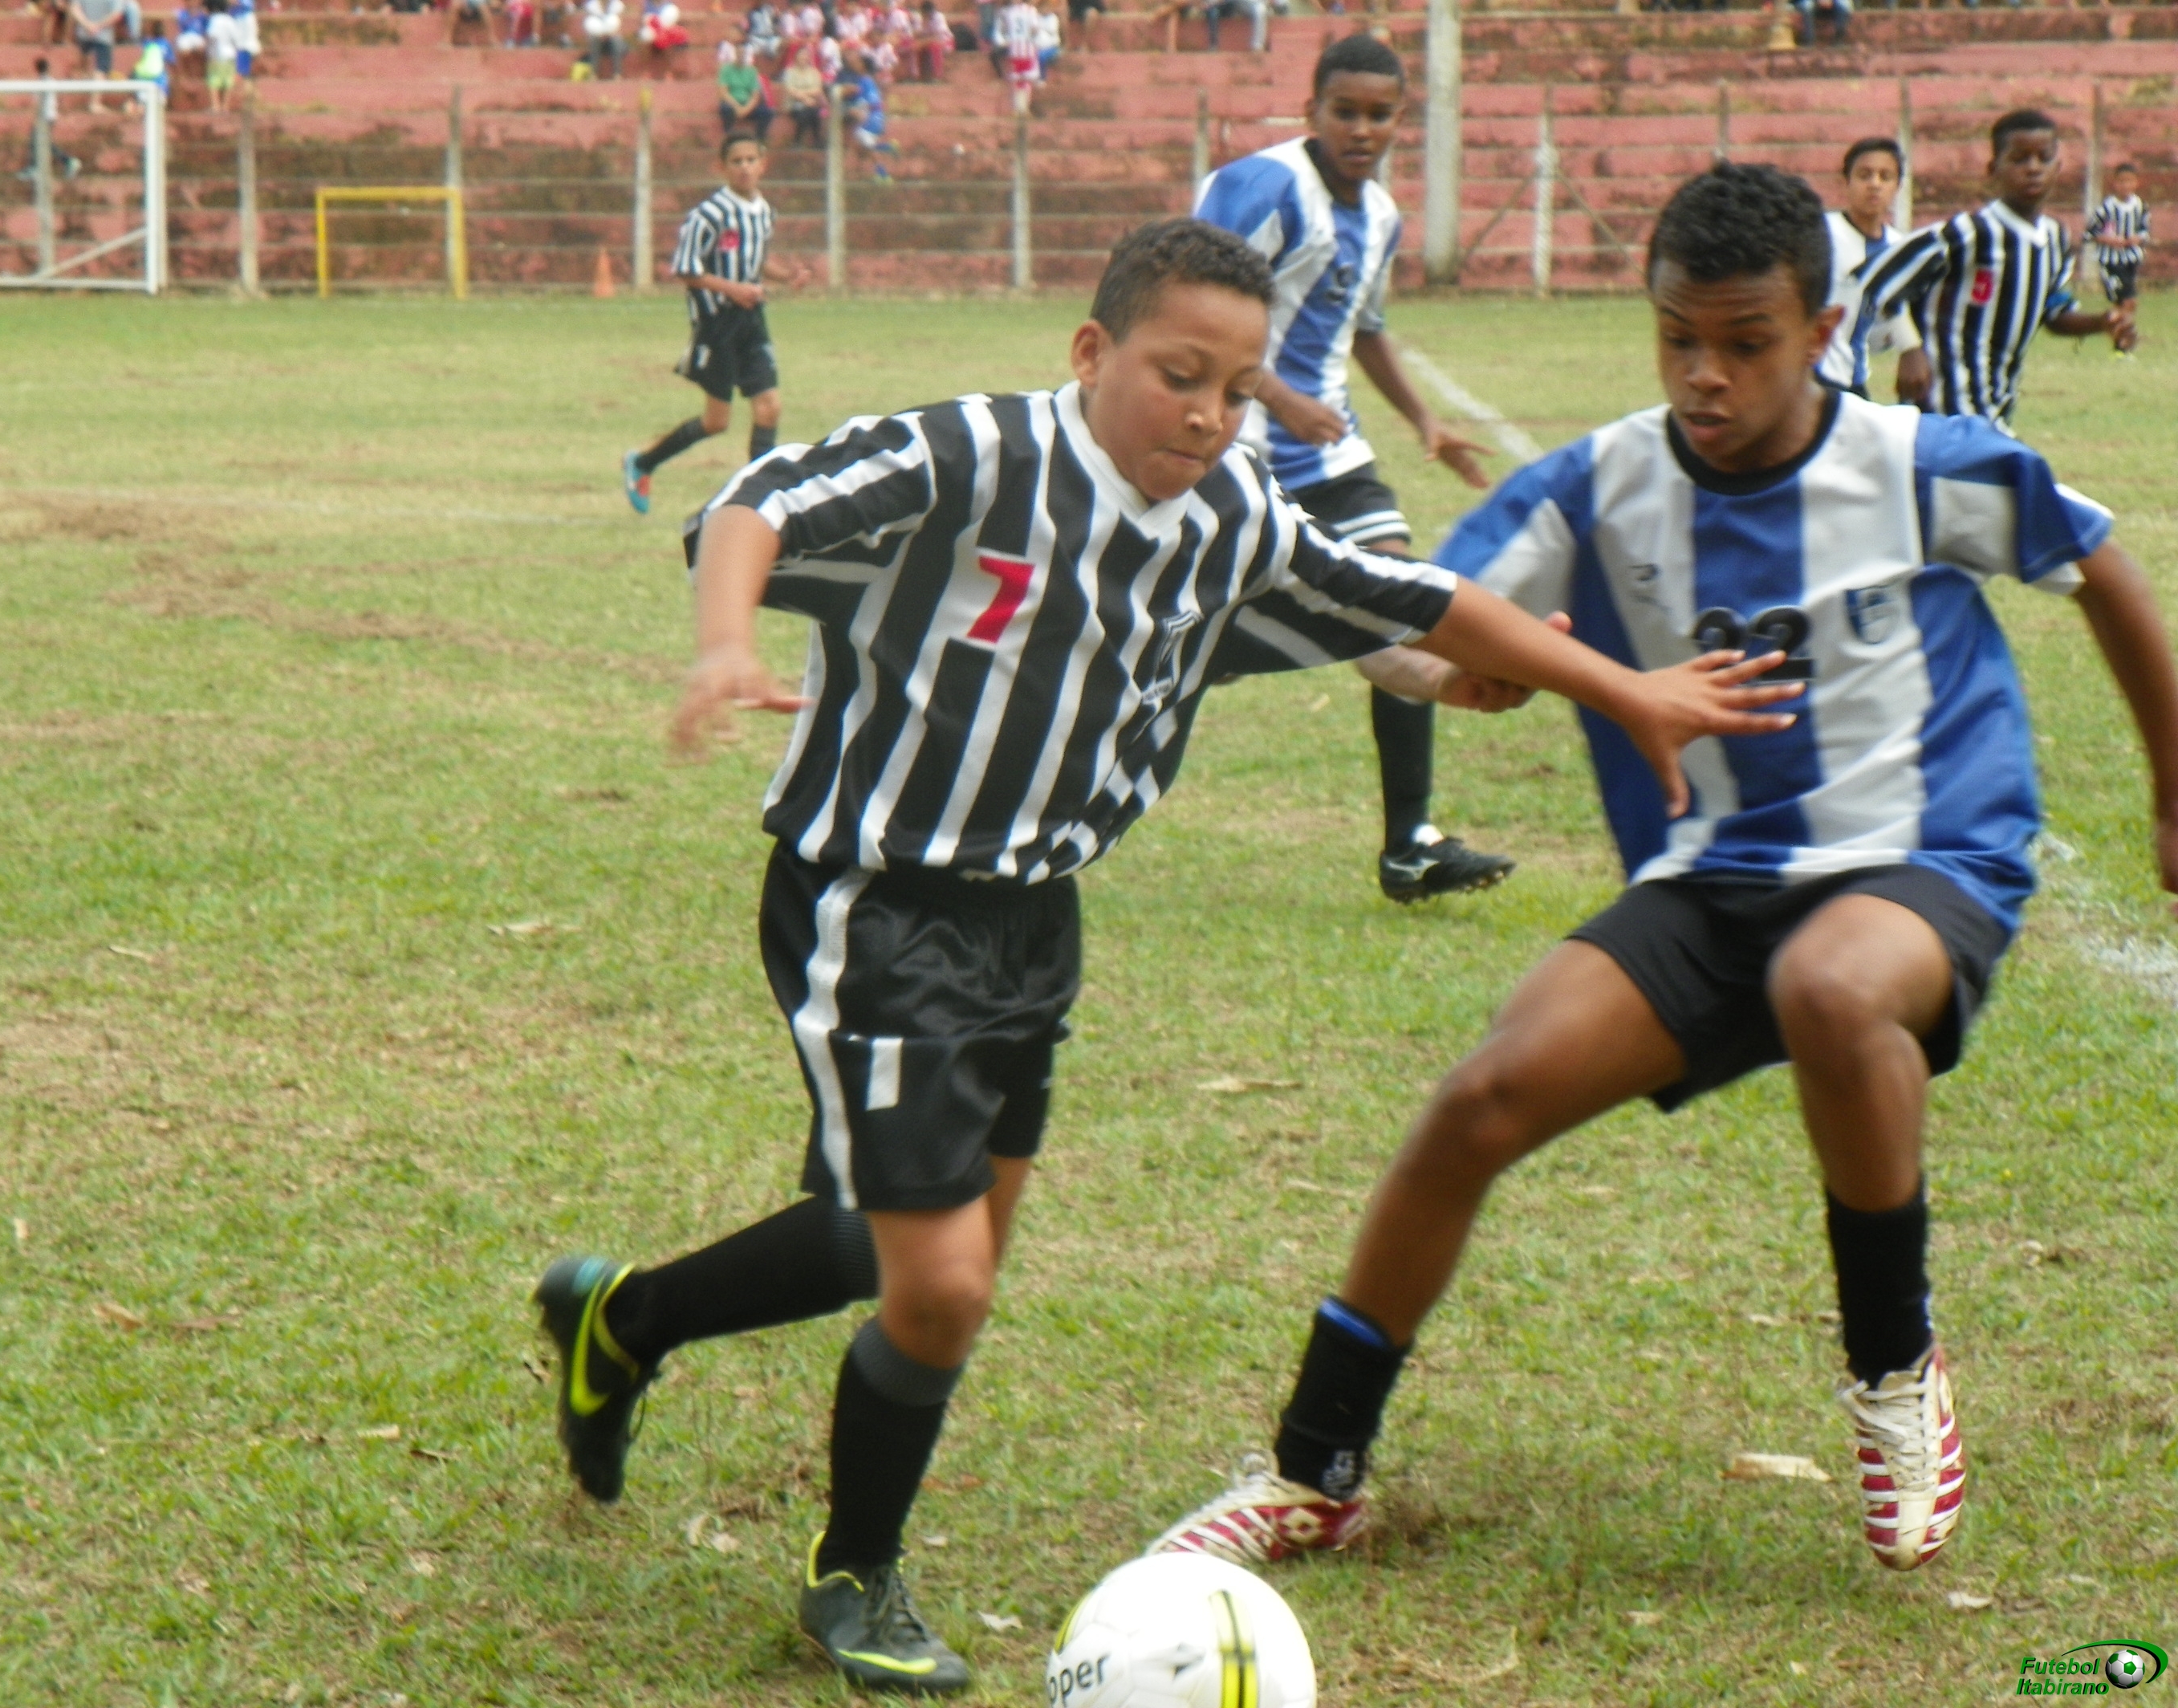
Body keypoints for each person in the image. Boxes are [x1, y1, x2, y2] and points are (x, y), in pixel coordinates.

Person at [544, 215, 1798, 1696]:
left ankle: (623, 1318)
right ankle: (853, 1575)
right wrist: (722, 642)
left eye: (1239, 390)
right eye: (1177, 375)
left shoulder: (1227, 515)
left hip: (1036, 921)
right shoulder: (973, 453)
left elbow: (1407, 602)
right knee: (940, 1280)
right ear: (1093, 352)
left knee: (909, 1244)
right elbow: (755, 502)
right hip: (881, 900)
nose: (1207, 415)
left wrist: (1595, 687)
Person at [1148, 162, 2178, 1584]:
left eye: (1746, 343)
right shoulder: (1601, 485)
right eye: (1678, 337)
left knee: (1831, 987)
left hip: (1921, 851)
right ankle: (1312, 1473)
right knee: (1481, 1099)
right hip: (1710, 882)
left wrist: (2171, 795)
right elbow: (1416, 625)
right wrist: (1462, 676)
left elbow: (2101, 565)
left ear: (1821, 332)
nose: (1705, 374)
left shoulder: (1912, 464)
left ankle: (1894, 1367)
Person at [1196, 35, 1512, 904]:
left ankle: (1410, 844)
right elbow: (1191, 306)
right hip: (1233, 450)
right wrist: (1278, 396)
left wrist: (1425, 420)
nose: (1361, 130)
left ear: (1401, 120)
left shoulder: (1380, 215)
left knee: (1399, 601)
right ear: (1312, 110)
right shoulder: (1263, 188)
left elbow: (1364, 326)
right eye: (1345, 111)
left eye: (1379, 115)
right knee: (1170, 636)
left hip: (1332, 456)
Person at [1862, 108, 2136, 427]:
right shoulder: (1968, 233)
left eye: (2044, 158)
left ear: (2058, 168)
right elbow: (1879, 279)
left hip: (1996, 402)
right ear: (1993, 170)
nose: (2033, 168)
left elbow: (2054, 314)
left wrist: (2102, 322)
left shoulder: (2055, 239)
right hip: (1944, 406)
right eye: (2019, 159)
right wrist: (1910, 350)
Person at [621, 132, 807, 510]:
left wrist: (788, 275)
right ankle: (642, 463)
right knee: (716, 421)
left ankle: (757, 500)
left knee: (769, 406)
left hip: (751, 318)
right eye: (736, 162)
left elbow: (756, 259)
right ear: (721, 167)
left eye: (751, 160)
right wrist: (732, 289)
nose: (744, 168)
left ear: (763, 165)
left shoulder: (764, 212)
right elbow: (686, 269)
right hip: (716, 324)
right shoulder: (708, 216)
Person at [1818, 135, 1920, 399]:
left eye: (1885, 177)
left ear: (1898, 186)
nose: (1875, 184)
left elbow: (1893, 313)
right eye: (1865, 175)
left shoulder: (1899, 248)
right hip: (1814, 372)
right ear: (1846, 182)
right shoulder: (1822, 233)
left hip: (1855, 376)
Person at [2085, 161, 2151, 354]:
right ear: (2114, 183)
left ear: (2136, 183)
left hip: (2131, 259)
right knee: (2128, 302)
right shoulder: (2107, 208)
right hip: (2111, 262)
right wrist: (2110, 240)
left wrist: (2137, 238)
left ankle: (2121, 342)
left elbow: (2145, 231)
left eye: (2129, 181)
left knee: (2123, 305)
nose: (2125, 186)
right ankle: (2122, 340)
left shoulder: (2140, 206)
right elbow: (2090, 233)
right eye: (2121, 181)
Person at [840, 51, 895, 177]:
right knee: (866, 144)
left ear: (863, 66)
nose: (854, 65)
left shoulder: (864, 81)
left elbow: (868, 100)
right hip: (876, 116)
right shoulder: (868, 81)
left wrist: (857, 109)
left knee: (863, 139)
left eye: (858, 63)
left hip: (871, 118)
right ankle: (884, 164)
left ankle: (886, 155)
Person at [70, 0, 126, 108]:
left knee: (84, 64)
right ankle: (94, 103)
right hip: (103, 36)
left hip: (84, 33)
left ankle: (78, 100)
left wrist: (87, 25)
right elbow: (116, 14)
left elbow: (75, 9)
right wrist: (97, 26)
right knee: (101, 69)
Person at [715, 42, 773, 139]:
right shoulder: (726, 69)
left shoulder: (752, 71)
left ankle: (759, 140)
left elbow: (755, 95)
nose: (741, 56)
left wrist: (746, 109)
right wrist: (737, 107)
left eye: (743, 53)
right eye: (739, 53)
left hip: (747, 104)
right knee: (726, 109)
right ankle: (729, 137)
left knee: (767, 112)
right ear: (735, 53)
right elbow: (723, 93)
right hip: (732, 103)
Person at [781, 39, 825, 144]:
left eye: (806, 56)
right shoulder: (789, 72)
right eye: (802, 55)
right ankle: (803, 140)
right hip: (794, 103)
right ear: (796, 57)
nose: (804, 58)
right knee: (807, 112)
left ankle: (807, 140)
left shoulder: (814, 72)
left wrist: (805, 96)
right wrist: (805, 99)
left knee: (812, 112)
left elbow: (817, 90)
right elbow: (790, 90)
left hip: (812, 103)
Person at [199, 0, 236, 108]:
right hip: (230, 55)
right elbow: (235, 38)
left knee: (213, 81)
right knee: (228, 82)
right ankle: (225, 106)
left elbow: (211, 35)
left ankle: (215, 106)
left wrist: (203, 45)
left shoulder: (215, 20)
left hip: (216, 55)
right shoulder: (230, 20)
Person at [128, 17, 173, 95]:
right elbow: (171, 64)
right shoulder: (164, 44)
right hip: (158, 80)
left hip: (142, 79)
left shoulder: (146, 43)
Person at [581, 0, 624, 75]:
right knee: (594, 41)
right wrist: (597, 33)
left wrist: (612, 33)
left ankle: (617, 73)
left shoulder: (617, 5)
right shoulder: (591, 6)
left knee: (616, 41)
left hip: (613, 36)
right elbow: (588, 24)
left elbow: (620, 25)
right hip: (597, 36)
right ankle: (594, 73)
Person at [912, 0, 951, 79]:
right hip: (927, 41)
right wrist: (923, 24)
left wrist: (923, 42)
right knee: (916, 47)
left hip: (945, 41)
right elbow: (916, 34)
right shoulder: (919, 18)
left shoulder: (939, 17)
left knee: (935, 46)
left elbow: (938, 37)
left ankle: (937, 75)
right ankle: (920, 75)